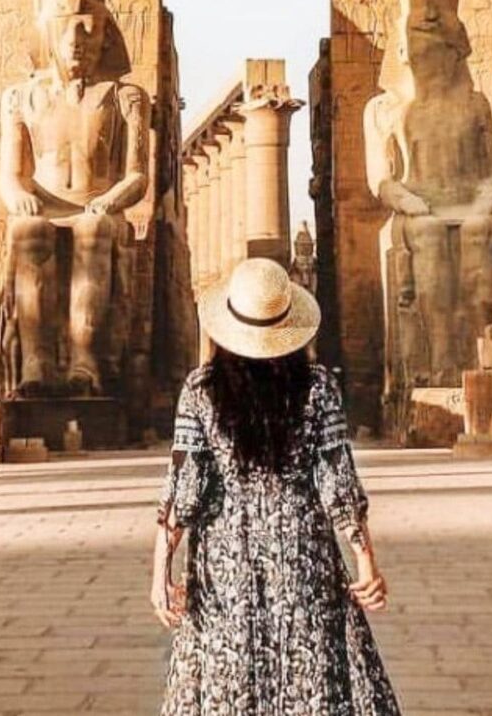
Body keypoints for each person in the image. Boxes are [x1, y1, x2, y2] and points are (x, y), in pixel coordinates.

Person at [152, 258, 401, 715]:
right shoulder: (318, 387)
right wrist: (367, 565)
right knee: (310, 683)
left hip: (225, 564)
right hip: (303, 558)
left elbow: (183, 488)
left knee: (227, 683)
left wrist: (160, 573)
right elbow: (338, 483)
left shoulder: (200, 389)